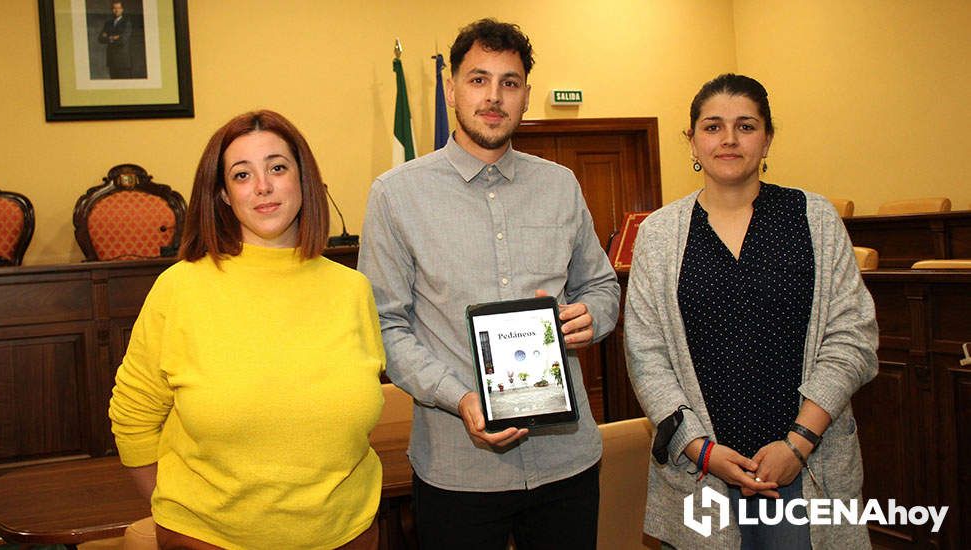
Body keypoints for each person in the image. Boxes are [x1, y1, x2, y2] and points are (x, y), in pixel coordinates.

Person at [358, 18, 620, 550]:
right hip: (458, 471)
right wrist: (458, 398)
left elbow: (601, 286)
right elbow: (385, 325)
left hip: (565, 463)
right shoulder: (395, 195)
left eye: (510, 82)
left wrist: (592, 317)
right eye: (478, 80)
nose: (494, 97)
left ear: (526, 96)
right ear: (451, 89)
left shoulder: (560, 185)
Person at [109, 110, 386, 549]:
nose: (263, 186)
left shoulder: (352, 289)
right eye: (242, 175)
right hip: (208, 539)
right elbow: (133, 419)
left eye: (277, 167)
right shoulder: (180, 289)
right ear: (222, 194)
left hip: (348, 535)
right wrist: (179, 515)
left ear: (303, 179)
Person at [623, 73, 878, 549]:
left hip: (805, 463)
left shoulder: (813, 219)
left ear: (767, 138)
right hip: (700, 471)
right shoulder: (658, 235)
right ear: (693, 141)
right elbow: (645, 355)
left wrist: (798, 444)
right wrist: (701, 452)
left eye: (745, 126)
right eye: (713, 126)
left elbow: (852, 338)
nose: (729, 139)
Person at [98, 1, 132, 78]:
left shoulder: (126, 23)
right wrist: (113, 37)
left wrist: (108, 37)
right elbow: (100, 39)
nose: (116, 10)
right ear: (112, 10)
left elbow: (123, 40)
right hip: (111, 60)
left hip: (122, 61)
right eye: (114, 8)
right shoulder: (108, 23)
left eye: (118, 8)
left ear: (122, 9)